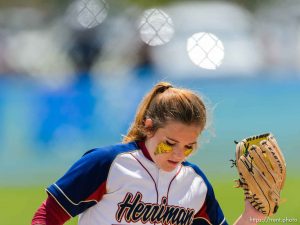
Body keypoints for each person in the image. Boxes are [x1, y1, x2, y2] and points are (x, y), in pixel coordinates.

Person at [32, 82, 266, 225]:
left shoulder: (195, 184)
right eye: (170, 142)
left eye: (188, 146)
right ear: (149, 126)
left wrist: (251, 216)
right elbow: (49, 214)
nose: (178, 154)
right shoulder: (109, 163)